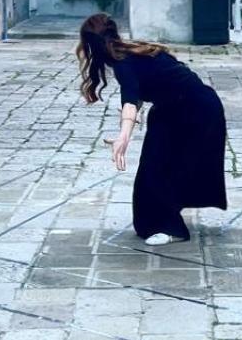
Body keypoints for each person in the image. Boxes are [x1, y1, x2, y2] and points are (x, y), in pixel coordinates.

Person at [76, 14, 228, 245]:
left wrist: (124, 137)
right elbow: (136, 96)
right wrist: (126, 128)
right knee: (155, 166)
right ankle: (160, 220)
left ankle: (172, 228)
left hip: (195, 111)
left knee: (162, 169)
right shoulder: (135, 50)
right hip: (183, 107)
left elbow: (129, 99)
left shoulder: (124, 62)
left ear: (91, 46)